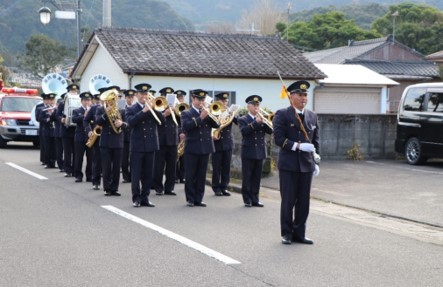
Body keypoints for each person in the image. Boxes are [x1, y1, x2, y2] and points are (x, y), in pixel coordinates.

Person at [272, 80, 320, 245]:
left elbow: (316, 141)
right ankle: (287, 233)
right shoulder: (282, 114)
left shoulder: (312, 116)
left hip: (306, 165)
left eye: (305, 95)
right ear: (291, 96)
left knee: (304, 201)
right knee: (288, 200)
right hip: (289, 165)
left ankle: (300, 232)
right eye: (300, 95)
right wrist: (298, 146)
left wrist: (316, 160)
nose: (303, 98)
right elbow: (278, 139)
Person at [126, 83, 164, 207]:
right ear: (137, 95)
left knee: (148, 174)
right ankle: (136, 198)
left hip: (151, 144)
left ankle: (145, 197)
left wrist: (154, 109)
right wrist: (144, 111)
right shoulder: (131, 109)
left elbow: (162, 121)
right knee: (136, 174)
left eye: (146, 94)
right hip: (137, 145)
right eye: (142, 94)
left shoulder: (153, 107)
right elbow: (131, 123)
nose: (144, 96)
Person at [181, 89, 220, 207]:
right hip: (192, 148)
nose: (201, 102)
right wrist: (200, 118)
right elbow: (186, 127)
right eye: (199, 99)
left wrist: (210, 115)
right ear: (193, 99)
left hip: (205, 147)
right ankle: (190, 199)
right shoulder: (186, 113)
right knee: (190, 175)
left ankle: (199, 198)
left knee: (201, 175)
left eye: (203, 99)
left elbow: (217, 125)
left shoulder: (207, 112)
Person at [238, 95, 273, 207]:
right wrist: (255, 123)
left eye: (258, 105)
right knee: (247, 177)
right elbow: (244, 131)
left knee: (257, 177)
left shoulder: (262, 119)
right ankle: (247, 199)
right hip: (248, 151)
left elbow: (270, 131)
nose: (257, 107)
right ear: (248, 107)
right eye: (254, 105)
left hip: (260, 151)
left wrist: (264, 121)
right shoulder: (243, 119)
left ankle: (255, 199)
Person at [95, 86, 127, 196]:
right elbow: (98, 122)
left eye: (115, 98)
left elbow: (127, 125)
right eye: (111, 98)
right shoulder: (100, 109)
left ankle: (115, 188)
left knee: (117, 167)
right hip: (105, 142)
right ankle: (107, 188)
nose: (113, 100)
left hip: (118, 141)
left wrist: (121, 124)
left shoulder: (122, 110)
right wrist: (106, 113)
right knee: (106, 166)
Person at [153, 87, 179, 196]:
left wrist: (176, 111)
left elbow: (181, 121)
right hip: (161, 139)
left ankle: (169, 188)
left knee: (172, 166)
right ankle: (158, 187)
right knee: (158, 165)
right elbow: (155, 120)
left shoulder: (175, 107)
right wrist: (165, 114)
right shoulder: (157, 106)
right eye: (165, 96)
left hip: (173, 140)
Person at [211, 92, 237, 196]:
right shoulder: (214, 110)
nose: (225, 103)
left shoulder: (229, 112)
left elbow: (237, 121)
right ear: (217, 101)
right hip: (217, 142)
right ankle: (216, 187)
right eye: (222, 101)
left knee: (226, 167)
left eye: (226, 101)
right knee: (216, 167)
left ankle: (224, 187)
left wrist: (232, 113)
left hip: (227, 142)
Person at [72, 91, 93, 183]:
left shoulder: (94, 110)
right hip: (80, 137)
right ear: (81, 101)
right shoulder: (76, 111)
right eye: (85, 100)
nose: (87, 102)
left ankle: (89, 175)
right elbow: (74, 119)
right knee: (78, 157)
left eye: (88, 100)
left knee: (91, 157)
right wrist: (84, 116)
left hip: (91, 137)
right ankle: (78, 175)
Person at [84, 93, 102, 190]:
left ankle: (110, 183)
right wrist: (89, 131)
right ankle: (96, 181)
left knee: (110, 162)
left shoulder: (115, 108)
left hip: (111, 138)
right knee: (97, 160)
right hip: (98, 137)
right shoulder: (94, 108)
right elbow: (85, 120)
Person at [38, 93, 57, 168]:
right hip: (46, 130)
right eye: (50, 100)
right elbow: (40, 118)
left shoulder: (56, 109)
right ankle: (47, 162)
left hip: (54, 130)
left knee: (54, 148)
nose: (51, 101)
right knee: (47, 147)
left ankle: (53, 162)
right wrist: (47, 119)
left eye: (53, 100)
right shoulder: (43, 109)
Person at [121, 89, 135, 183]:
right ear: (125, 98)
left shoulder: (136, 108)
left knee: (134, 158)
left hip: (133, 136)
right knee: (124, 158)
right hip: (124, 136)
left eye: (131, 97)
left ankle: (133, 175)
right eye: (128, 97)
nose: (130, 99)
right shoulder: (122, 109)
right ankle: (126, 176)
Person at [175, 90, 187, 184]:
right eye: (179, 98)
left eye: (182, 98)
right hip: (175, 136)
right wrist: (179, 133)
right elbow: (175, 124)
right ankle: (175, 176)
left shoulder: (186, 109)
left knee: (183, 158)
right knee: (175, 157)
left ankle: (182, 176)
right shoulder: (174, 110)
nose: (180, 100)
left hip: (185, 136)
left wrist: (184, 133)